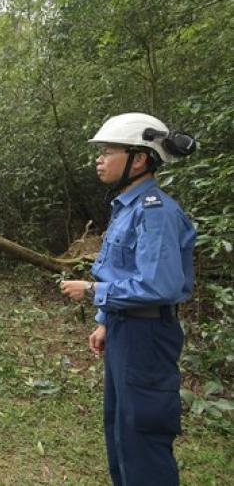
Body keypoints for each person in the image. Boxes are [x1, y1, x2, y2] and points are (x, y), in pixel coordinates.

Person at [60, 113, 196, 486]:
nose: (99, 159)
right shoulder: (126, 207)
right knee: (120, 430)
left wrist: (92, 292)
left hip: (147, 337)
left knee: (143, 437)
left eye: (108, 152)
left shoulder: (156, 212)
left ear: (138, 159)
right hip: (124, 329)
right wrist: (105, 319)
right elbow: (123, 270)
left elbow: (160, 286)